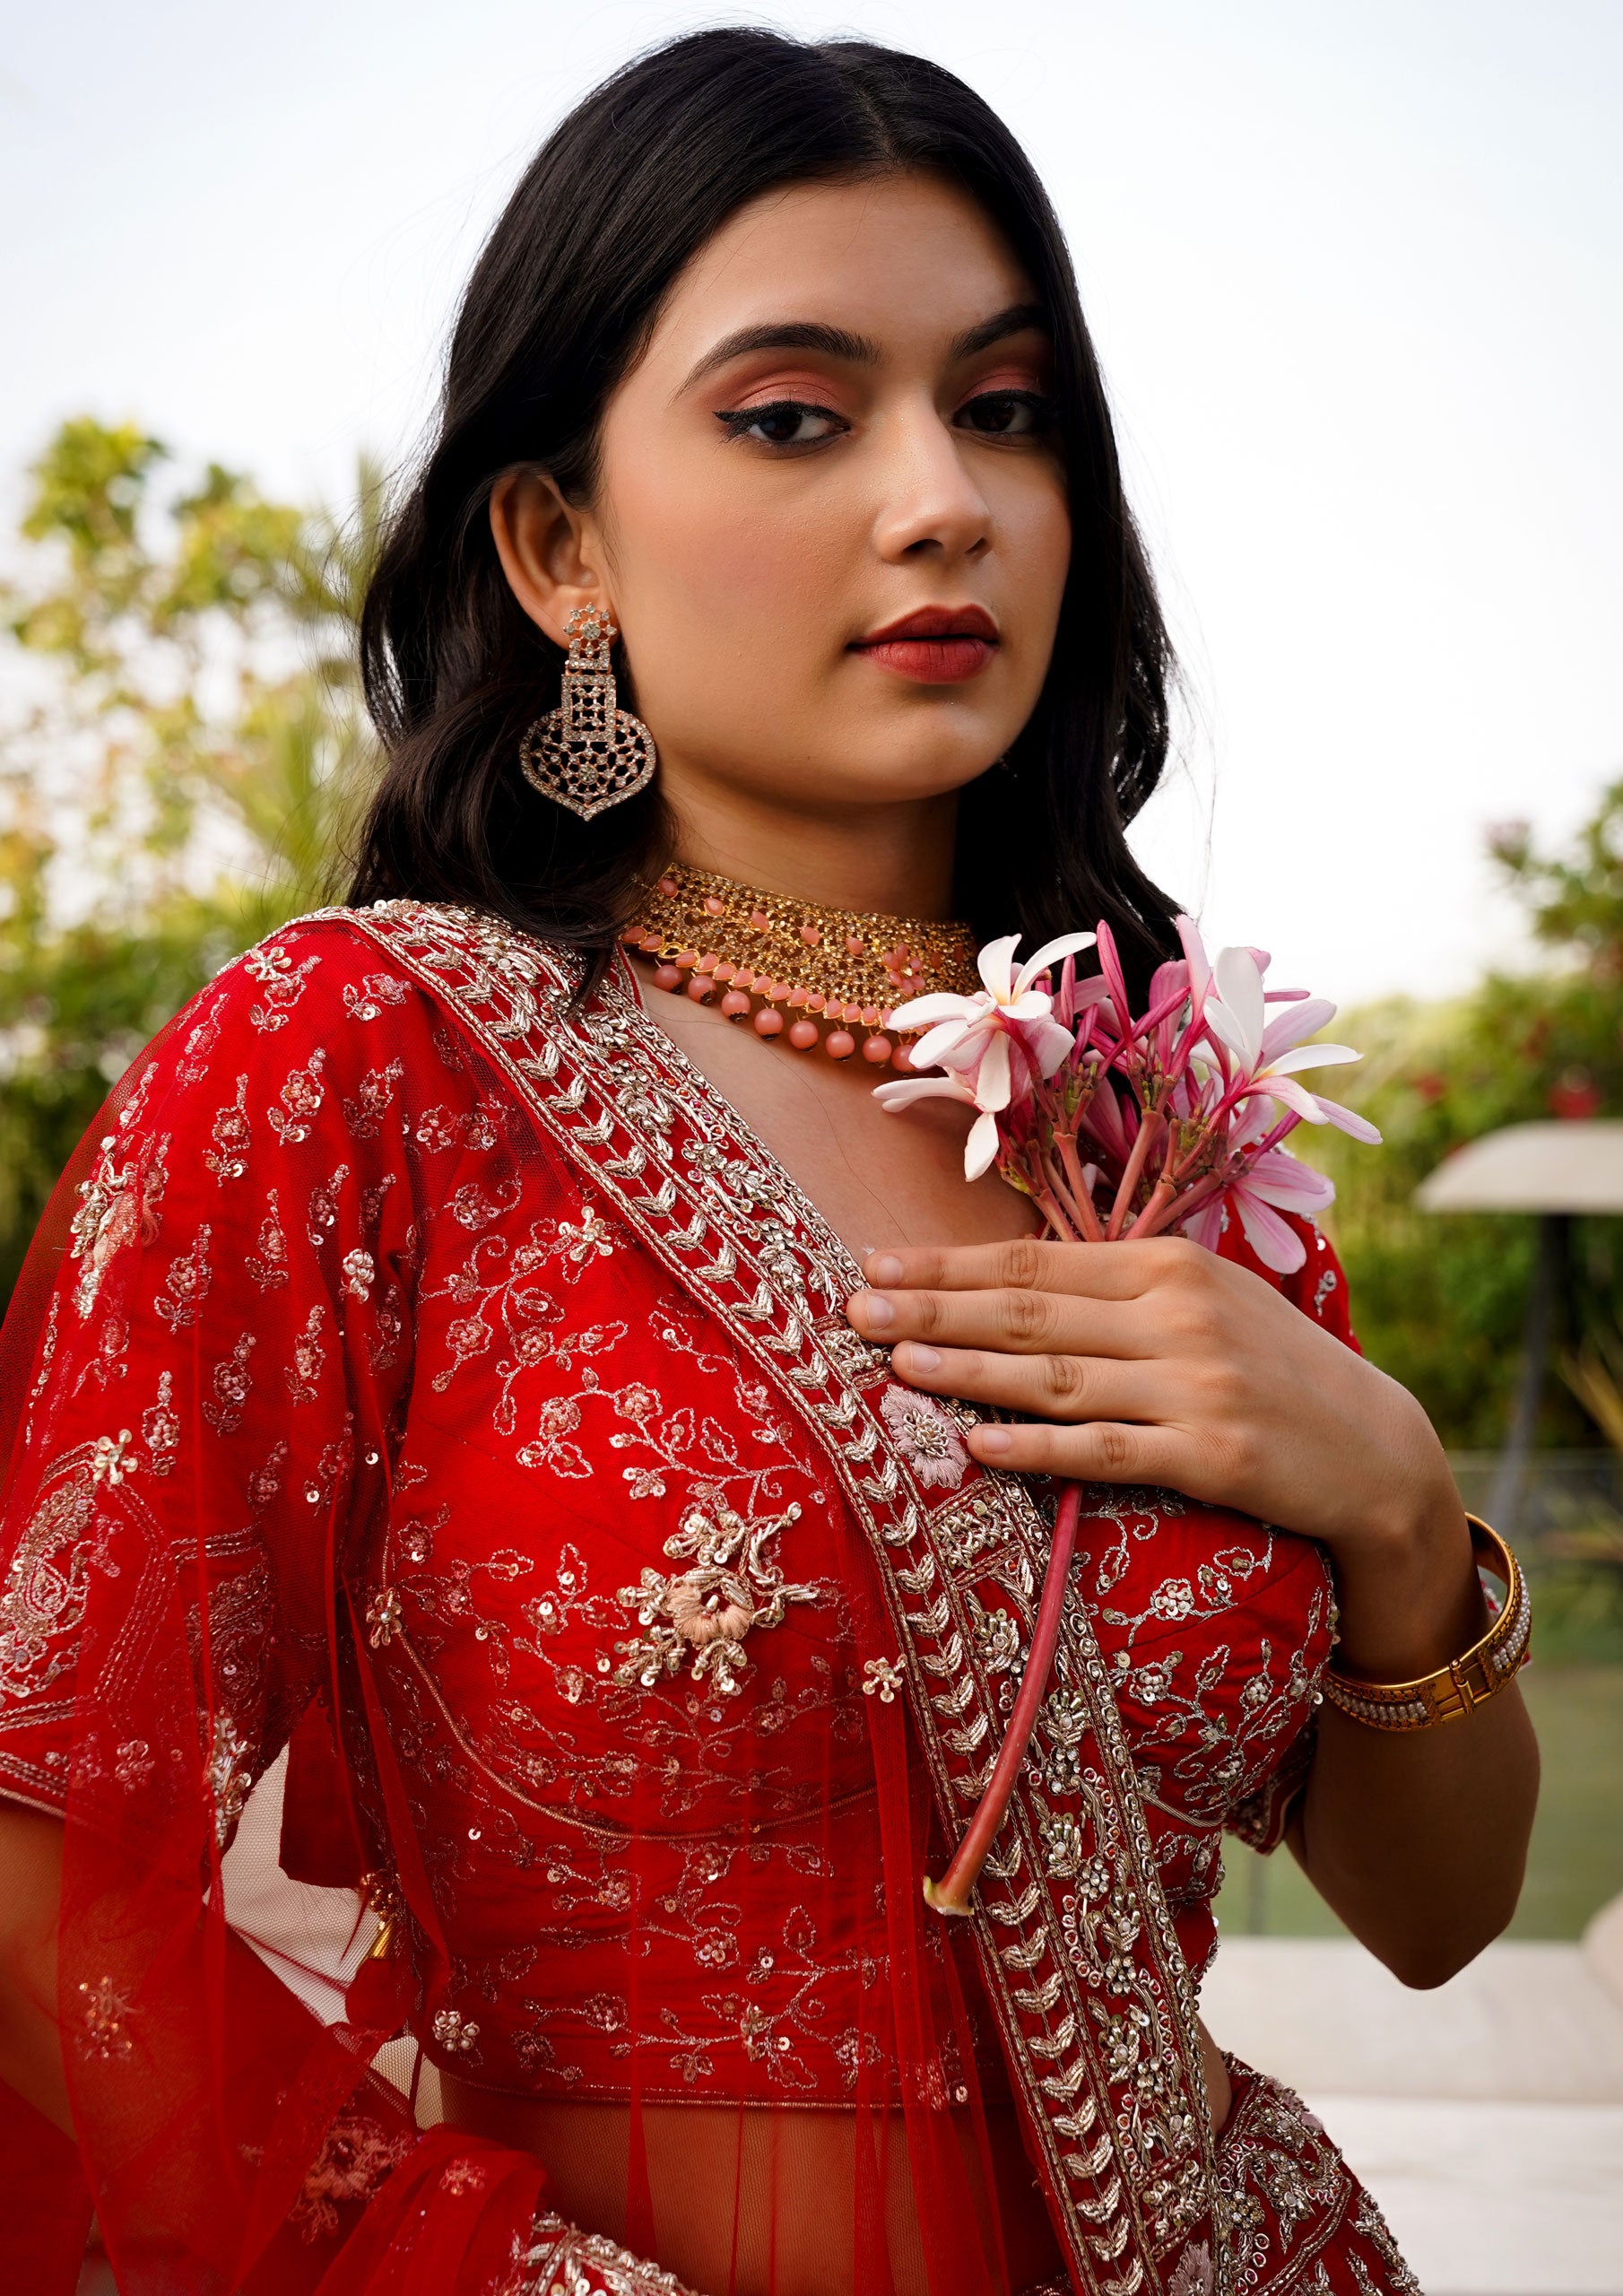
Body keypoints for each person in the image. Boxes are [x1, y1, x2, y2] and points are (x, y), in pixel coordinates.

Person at [0, 29, 1538, 2296]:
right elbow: (47, 1862)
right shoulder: (367, 1068)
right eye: (795, 417)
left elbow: (1431, 1915)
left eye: (1003, 408)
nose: (944, 500)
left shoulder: (1145, 1111)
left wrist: (1399, 1508)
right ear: (555, 546)